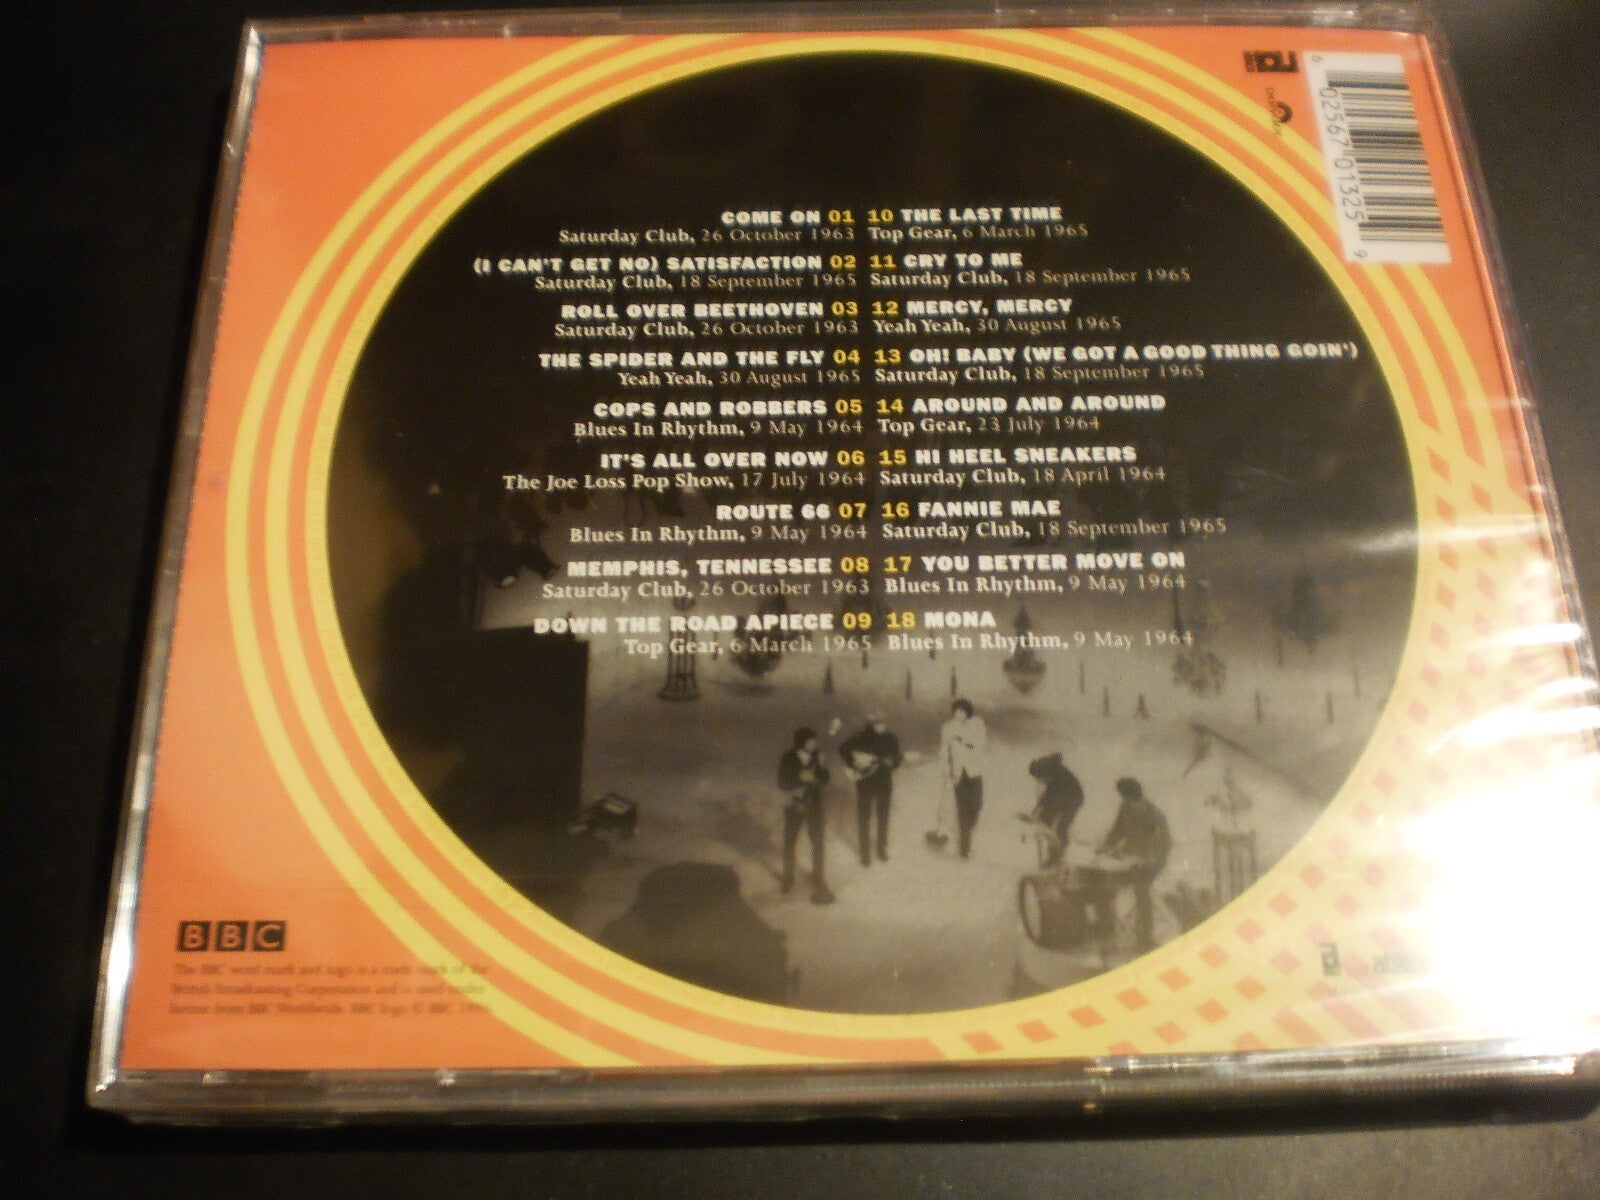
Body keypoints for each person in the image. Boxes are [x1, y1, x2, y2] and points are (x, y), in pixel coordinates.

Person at [1088, 777, 1172, 952]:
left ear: (1137, 797)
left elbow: (1162, 845)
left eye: (1130, 800)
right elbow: (1117, 831)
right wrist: (1106, 847)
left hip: (1151, 863)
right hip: (1129, 859)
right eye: (1125, 799)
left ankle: (1146, 937)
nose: (1127, 803)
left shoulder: (1154, 814)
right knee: (1100, 882)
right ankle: (1106, 927)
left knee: (1141, 891)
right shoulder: (1125, 807)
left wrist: (1144, 859)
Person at [777, 726, 834, 904]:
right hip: (795, 805)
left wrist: (822, 767)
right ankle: (788, 878)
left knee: (817, 842)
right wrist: (799, 778)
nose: (813, 744)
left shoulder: (818, 756)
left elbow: (825, 779)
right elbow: (782, 782)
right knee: (790, 842)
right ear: (801, 742)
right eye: (810, 741)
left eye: (814, 740)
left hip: (814, 805)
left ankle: (818, 877)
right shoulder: (788, 758)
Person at [839, 712, 903, 866]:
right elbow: (843, 749)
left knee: (883, 817)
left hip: (884, 782)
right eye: (877, 724)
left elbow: (897, 757)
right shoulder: (860, 736)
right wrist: (854, 764)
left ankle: (881, 849)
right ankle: (865, 854)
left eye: (882, 723)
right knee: (864, 817)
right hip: (865, 783)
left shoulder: (891, 737)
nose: (881, 726)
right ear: (870, 725)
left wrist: (893, 763)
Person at [939, 699, 988, 859]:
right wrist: (946, 770)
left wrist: (962, 739)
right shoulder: (948, 727)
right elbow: (944, 750)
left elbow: (980, 744)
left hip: (975, 772)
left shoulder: (977, 724)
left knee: (977, 805)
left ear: (968, 712)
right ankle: (964, 848)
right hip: (958, 773)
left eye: (962, 712)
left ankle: (967, 831)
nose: (959, 715)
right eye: (956, 712)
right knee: (962, 811)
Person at [1026, 752, 1084, 868]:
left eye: (1040, 779)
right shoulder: (1050, 771)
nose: (1039, 782)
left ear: (1045, 774)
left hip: (1073, 799)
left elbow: (1052, 797)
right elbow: (1047, 795)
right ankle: (1053, 855)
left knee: (1060, 828)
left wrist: (1039, 811)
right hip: (1061, 797)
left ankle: (1057, 858)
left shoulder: (1060, 777)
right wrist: (1037, 812)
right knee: (1046, 822)